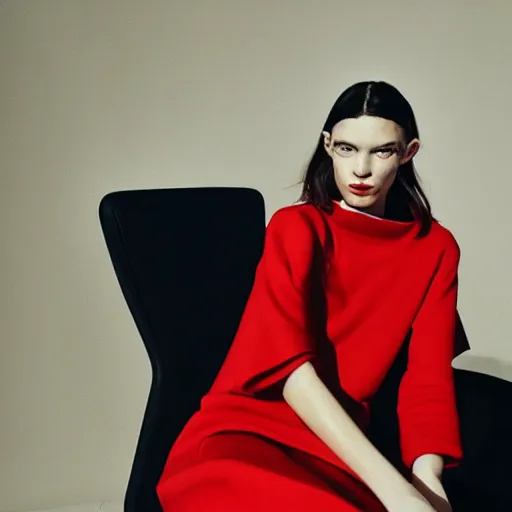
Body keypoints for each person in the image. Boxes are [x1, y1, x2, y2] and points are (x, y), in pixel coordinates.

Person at [156, 81, 463, 511]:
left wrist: (427, 485)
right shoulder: (296, 227)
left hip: (340, 454)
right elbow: (292, 372)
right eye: (346, 148)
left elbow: (427, 380)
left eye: (382, 151)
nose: (361, 169)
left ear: (409, 152)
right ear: (327, 145)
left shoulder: (436, 248)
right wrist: (395, 491)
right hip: (243, 439)